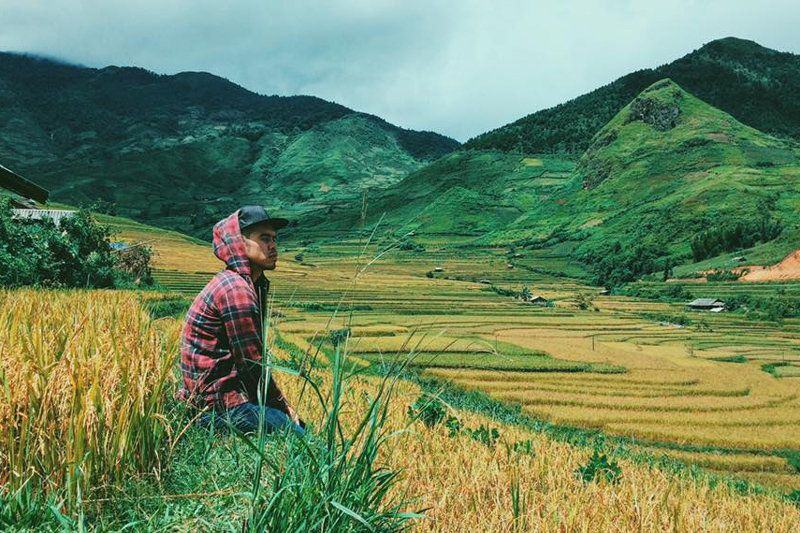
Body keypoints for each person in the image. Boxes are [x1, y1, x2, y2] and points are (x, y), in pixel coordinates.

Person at [178, 206, 304, 435]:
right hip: (215, 407)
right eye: (264, 238)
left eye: (275, 239)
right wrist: (285, 409)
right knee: (297, 434)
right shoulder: (236, 290)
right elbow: (252, 366)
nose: (273, 246)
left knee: (286, 422)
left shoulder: (240, 283)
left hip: (209, 399)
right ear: (238, 243)